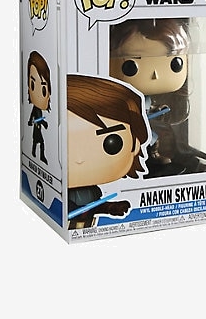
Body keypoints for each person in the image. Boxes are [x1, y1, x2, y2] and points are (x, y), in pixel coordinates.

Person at [67, 74, 149, 229]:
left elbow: (96, 207)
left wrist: (111, 208)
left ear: (135, 144)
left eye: (111, 144)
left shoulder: (92, 191)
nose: (80, 159)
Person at [109, 18, 189, 167]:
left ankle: (152, 156)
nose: (155, 75)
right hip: (126, 130)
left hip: (142, 127)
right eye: (131, 66)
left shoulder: (144, 99)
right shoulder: (123, 99)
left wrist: (157, 110)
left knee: (152, 139)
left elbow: (148, 107)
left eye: (175, 64)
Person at [27, 51, 51, 164]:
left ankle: (38, 155)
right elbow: (33, 116)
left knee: (39, 142)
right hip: (36, 129)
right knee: (37, 142)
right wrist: (34, 121)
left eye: (43, 90)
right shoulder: (35, 109)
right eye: (32, 85)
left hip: (38, 129)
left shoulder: (38, 110)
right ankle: (34, 154)